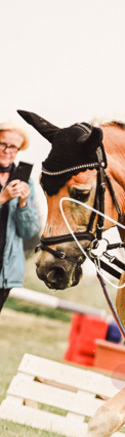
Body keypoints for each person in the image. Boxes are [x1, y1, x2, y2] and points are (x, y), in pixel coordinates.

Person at [0, 120, 40, 313]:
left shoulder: (26, 182)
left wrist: (23, 204)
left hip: (4, 271)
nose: (8, 150)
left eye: (13, 147)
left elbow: (29, 231)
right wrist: (2, 198)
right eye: (3, 144)